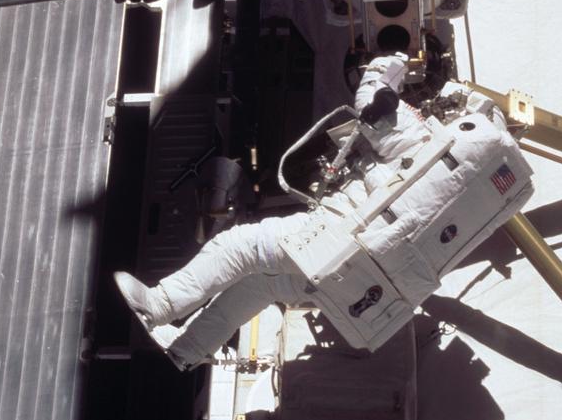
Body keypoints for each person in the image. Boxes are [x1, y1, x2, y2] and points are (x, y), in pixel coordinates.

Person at [115, 54, 431, 370]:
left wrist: (391, 62)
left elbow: (372, 101)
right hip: (369, 283)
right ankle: (187, 349)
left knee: (238, 247)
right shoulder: (455, 182)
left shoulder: (423, 139)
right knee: (262, 284)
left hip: (341, 240)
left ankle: (159, 305)